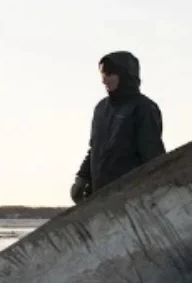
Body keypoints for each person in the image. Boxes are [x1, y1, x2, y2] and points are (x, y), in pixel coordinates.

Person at [71, 51, 166, 203]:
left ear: (124, 75)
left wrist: (156, 194)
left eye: (109, 74)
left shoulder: (143, 108)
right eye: (102, 75)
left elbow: (152, 156)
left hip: (130, 199)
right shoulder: (101, 109)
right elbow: (94, 148)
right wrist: (81, 178)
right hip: (98, 196)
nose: (104, 80)